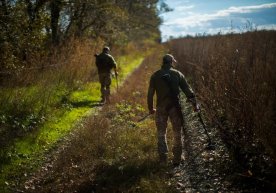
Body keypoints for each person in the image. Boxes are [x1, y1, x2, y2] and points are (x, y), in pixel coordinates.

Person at [147, 54, 197, 166]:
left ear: (163, 62)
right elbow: (188, 91)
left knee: (161, 133)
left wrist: (151, 108)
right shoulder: (178, 74)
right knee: (177, 132)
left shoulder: (155, 75)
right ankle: (177, 158)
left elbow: (150, 94)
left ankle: (163, 159)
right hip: (175, 107)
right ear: (171, 62)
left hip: (161, 107)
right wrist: (194, 105)